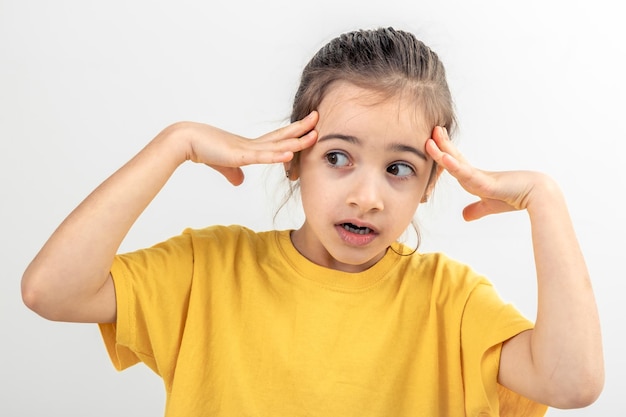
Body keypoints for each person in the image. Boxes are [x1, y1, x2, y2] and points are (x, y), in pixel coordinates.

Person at [21, 27, 603, 416]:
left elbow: (572, 383)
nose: (367, 196)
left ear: (431, 184)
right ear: (295, 156)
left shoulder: (450, 300)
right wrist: (176, 144)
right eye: (338, 157)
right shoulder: (209, 269)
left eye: (400, 168)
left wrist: (544, 200)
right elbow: (50, 290)